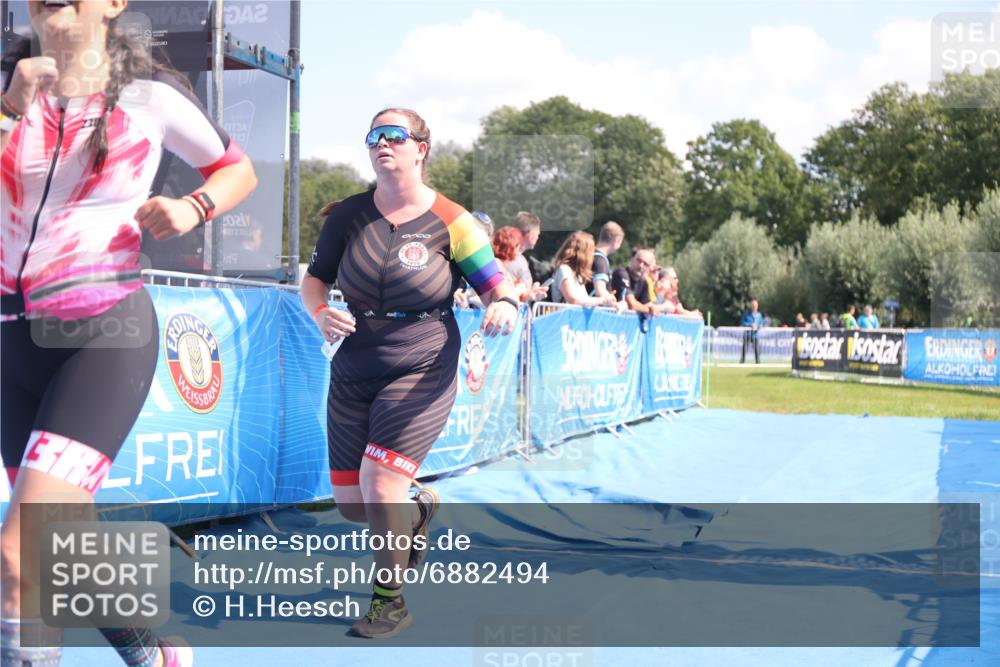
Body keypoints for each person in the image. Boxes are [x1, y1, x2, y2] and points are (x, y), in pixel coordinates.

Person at [1, 2, 257, 666]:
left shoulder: (151, 99)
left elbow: (238, 169)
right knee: (55, 542)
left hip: (100, 336)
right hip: (9, 342)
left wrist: (190, 206)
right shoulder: (9, 88)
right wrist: (7, 109)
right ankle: (152, 651)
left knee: (17, 550)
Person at [300, 108, 519, 639]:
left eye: (394, 135)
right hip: (354, 362)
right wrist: (319, 312)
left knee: (379, 485)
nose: (382, 143)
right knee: (355, 507)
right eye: (374, 135)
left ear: (421, 147)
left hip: (422, 359)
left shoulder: (454, 220)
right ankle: (416, 507)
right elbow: (314, 282)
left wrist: (505, 305)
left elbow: (497, 285)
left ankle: (388, 600)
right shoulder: (347, 216)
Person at [547, 232, 616, 307]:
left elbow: (585, 299)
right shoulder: (564, 270)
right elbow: (574, 300)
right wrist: (602, 300)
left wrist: (607, 298)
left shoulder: (577, 274)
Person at [611, 247, 669, 315]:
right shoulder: (621, 273)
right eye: (639, 260)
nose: (641, 266)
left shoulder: (644, 282)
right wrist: (650, 310)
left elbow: (649, 305)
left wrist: (653, 308)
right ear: (632, 259)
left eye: (645, 264)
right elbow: (632, 304)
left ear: (649, 267)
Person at [587, 221, 624, 301]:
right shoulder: (600, 261)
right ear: (616, 241)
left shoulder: (589, 254)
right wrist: (612, 299)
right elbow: (600, 293)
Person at [740, 298, 764, 363]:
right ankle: (742, 361)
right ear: (751, 306)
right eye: (753, 305)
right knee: (744, 348)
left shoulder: (759, 315)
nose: (754, 306)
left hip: (755, 335)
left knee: (757, 349)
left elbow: (761, 324)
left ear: (757, 306)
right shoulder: (746, 314)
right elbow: (742, 323)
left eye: (755, 305)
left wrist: (757, 326)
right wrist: (751, 325)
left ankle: (758, 362)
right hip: (747, 335)